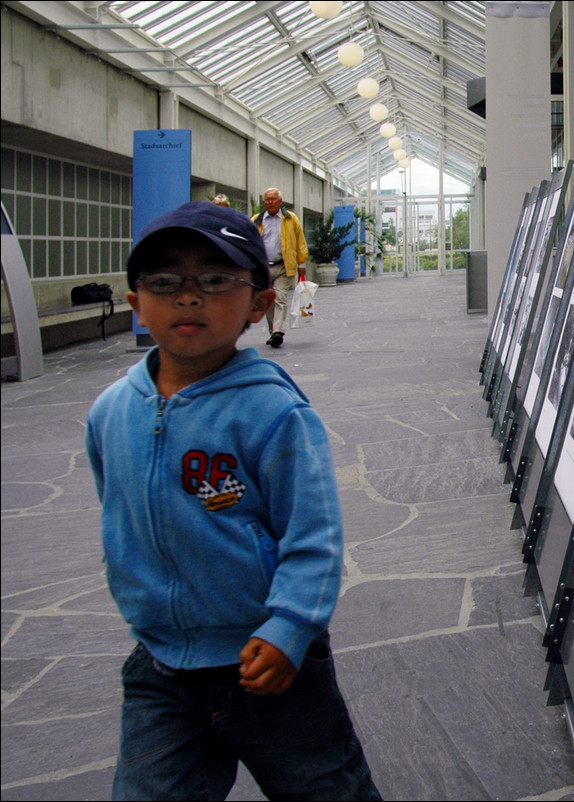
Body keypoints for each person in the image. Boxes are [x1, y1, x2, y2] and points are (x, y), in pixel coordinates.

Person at [86, 201, 380, 801]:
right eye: (164, 282)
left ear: (258, 304)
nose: (188, 297)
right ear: (136, 302)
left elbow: (314, 537)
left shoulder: (274, 414)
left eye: (216, 280)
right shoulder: (109, 414)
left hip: (269, 662)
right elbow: (118, 517)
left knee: (326, 789)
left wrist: (291, 626)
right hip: (161, 666)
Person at [251, 187, 309, 349]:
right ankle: (273, 332)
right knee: (267, 301)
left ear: (280, 201)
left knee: (280, 297)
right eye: (267, 199)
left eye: (273, 199)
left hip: (283, 266)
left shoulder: (290, 219)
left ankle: (278, 331)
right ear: (264, 202)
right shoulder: (256, 220)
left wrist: (301, 264)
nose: (270, 202)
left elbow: (300, 242)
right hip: (263, 267)